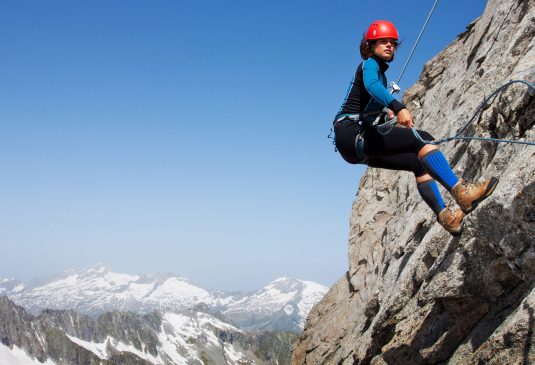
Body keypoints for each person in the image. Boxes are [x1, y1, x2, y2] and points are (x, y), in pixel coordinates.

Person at [333, 20, 498, 236]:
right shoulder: (369, 65)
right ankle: (463, 193)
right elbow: (372, 86)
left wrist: (385, 114)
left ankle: (447, 218)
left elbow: (369, 102)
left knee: (418, 164)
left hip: (354, 146)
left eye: (392, 42)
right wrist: (397, 106)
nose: (389, 45)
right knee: (422, 138)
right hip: (351, 132)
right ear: (370, 46)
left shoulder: (379, 74)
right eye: (382, 41)